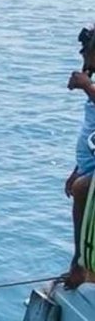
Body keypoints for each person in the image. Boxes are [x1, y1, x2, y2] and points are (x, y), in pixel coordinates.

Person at [65, 26, 95, 287]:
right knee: (78, 187)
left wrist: (87, 86)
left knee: (82, 191)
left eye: (85, 50)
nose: (81, 54)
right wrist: (78, 167)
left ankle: (80, 264)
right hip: (89, 164)